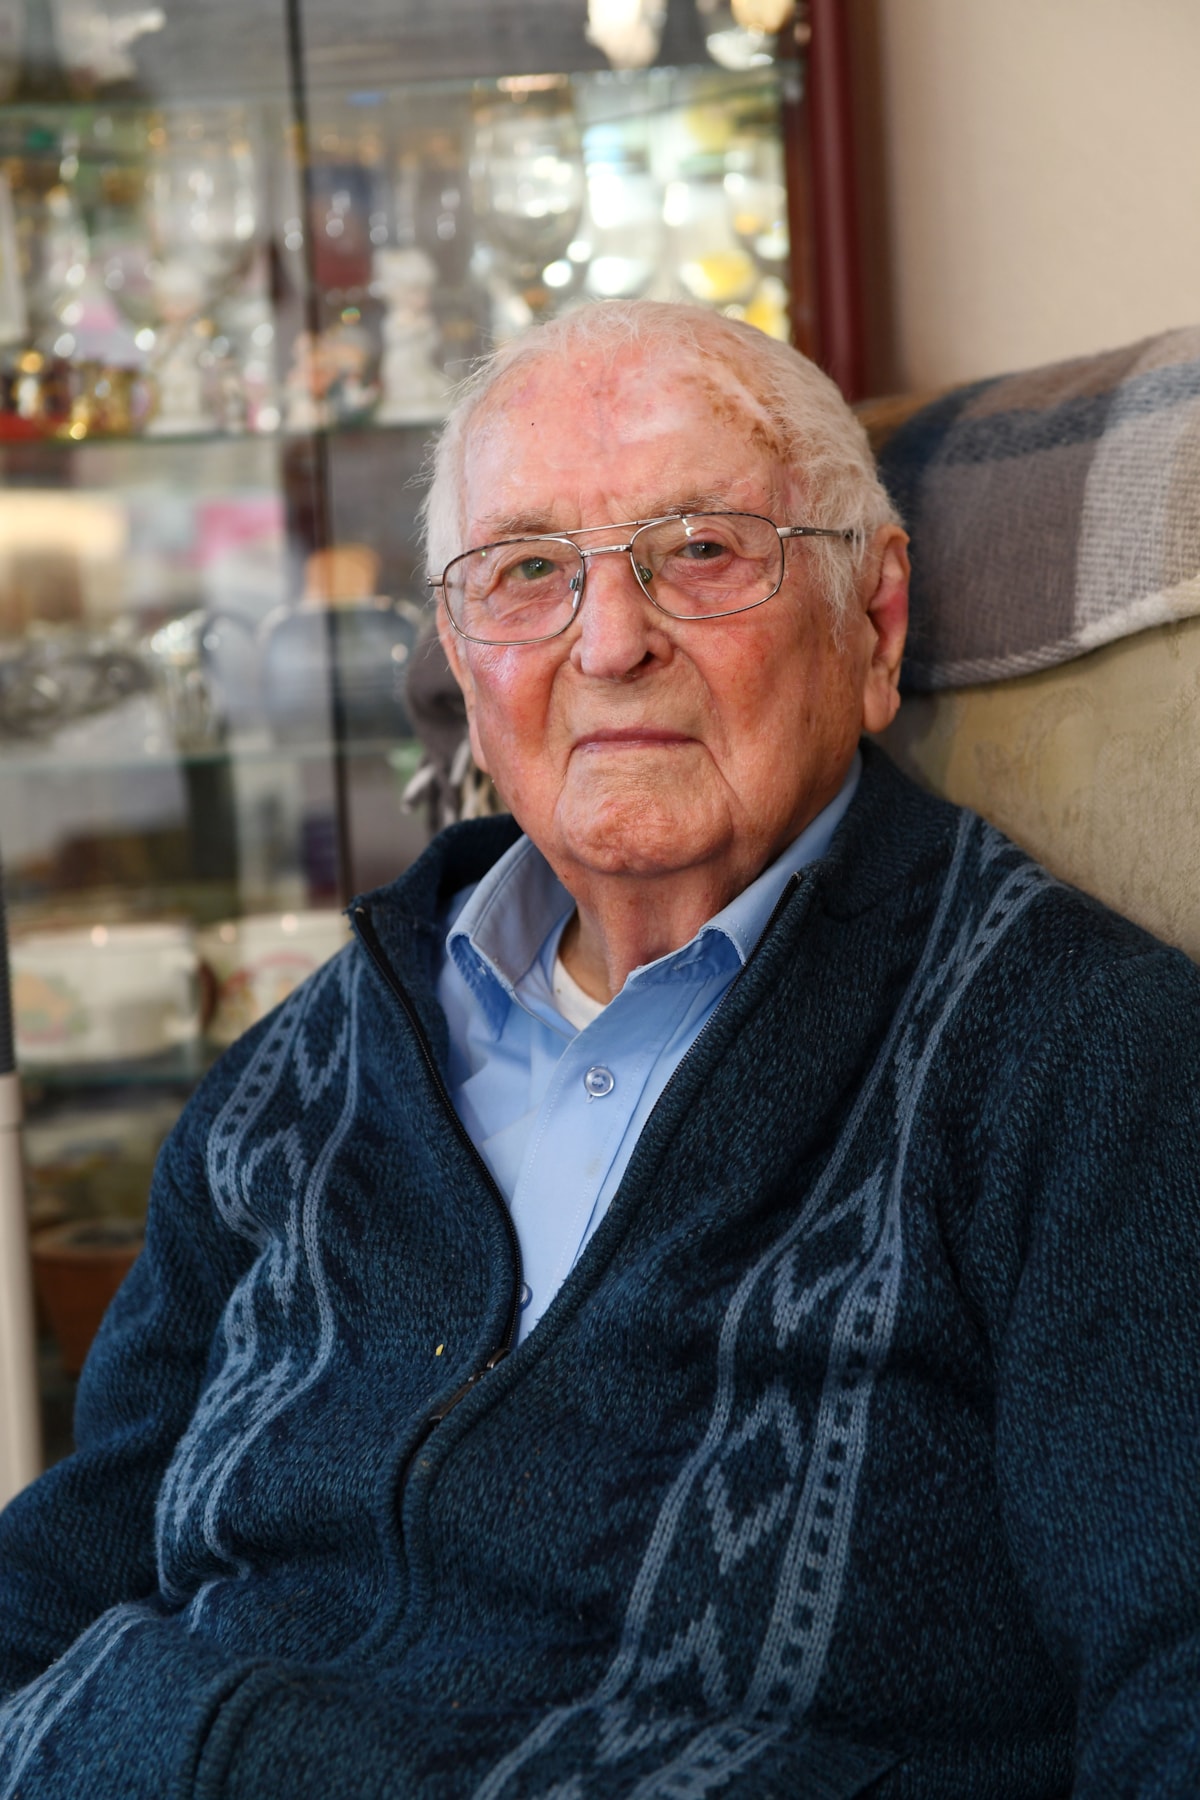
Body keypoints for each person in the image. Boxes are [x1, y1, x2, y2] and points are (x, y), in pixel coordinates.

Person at [1, 300, 1198, 1800]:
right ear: (463, 664)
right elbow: (65, 1562)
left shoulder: (1083, 1065)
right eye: (527, 572)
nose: (611, 640)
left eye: (701, 550)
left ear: (873, 624)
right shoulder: (302, 1069)